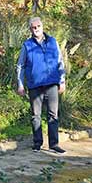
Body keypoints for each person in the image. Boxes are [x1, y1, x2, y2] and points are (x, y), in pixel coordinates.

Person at [16, 17, 66, 154]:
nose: (36, 29)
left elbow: (60, 62)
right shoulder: (27, 45)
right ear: (30, 29)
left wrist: (62, 80)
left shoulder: (53, 42)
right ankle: (37, 143)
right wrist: (20, 84)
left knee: (53, 115)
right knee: (35, 115)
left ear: (42, 26)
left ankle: (54, 144)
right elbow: (20, 65)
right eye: (33, 27)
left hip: (52, 83)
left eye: (38, 26)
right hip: (35, 84)